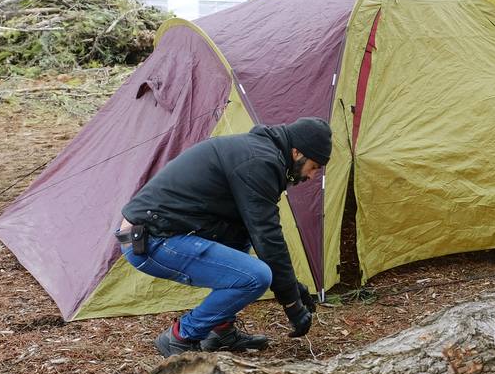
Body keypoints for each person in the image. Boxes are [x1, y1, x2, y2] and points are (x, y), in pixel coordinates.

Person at [115, 117, 333, 357]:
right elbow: (268, 236)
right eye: (313, 167)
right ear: (296, 152)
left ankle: (221, 331)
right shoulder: (259, 162)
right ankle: (180, 337)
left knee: (241, 236)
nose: (312, 176)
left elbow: (255, 230)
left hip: (161, 232)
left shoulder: (260, 153)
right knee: (255, 276)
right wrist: (291, 302)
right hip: (151, 241)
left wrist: (293, 287)